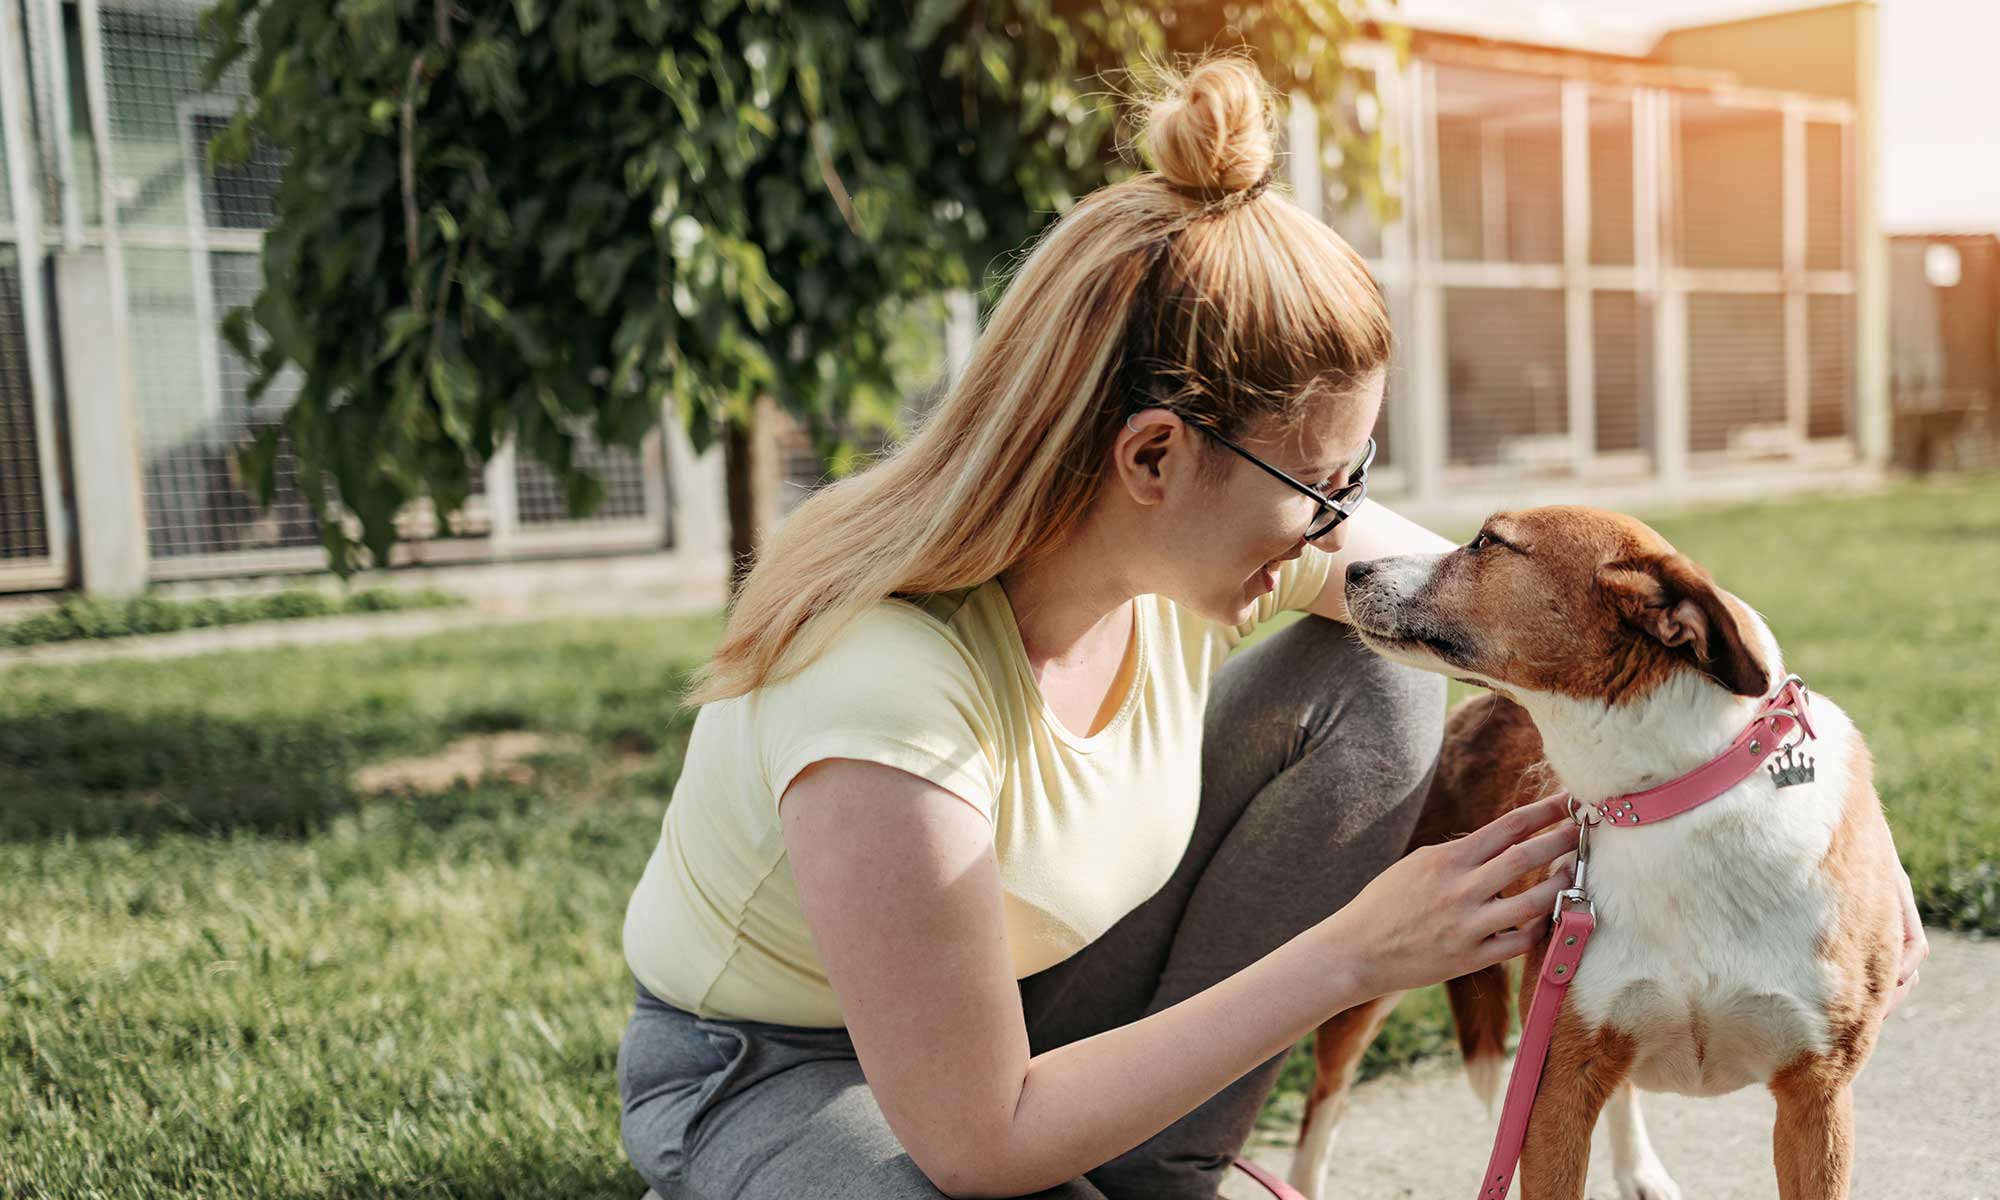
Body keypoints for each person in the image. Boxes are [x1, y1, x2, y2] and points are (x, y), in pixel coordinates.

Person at [614, 55, 1925, 1200]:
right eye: (1329, 487)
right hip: (784, 1069)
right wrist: (1356, 951)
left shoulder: (1176, 540)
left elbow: (1524, 606)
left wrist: (1809, 792)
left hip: (1031, 1002)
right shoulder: (881, 677)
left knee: (1383, 671)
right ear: (1152, 459)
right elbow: (972, 1133)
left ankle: (1153, 1163)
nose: (1348, 528)